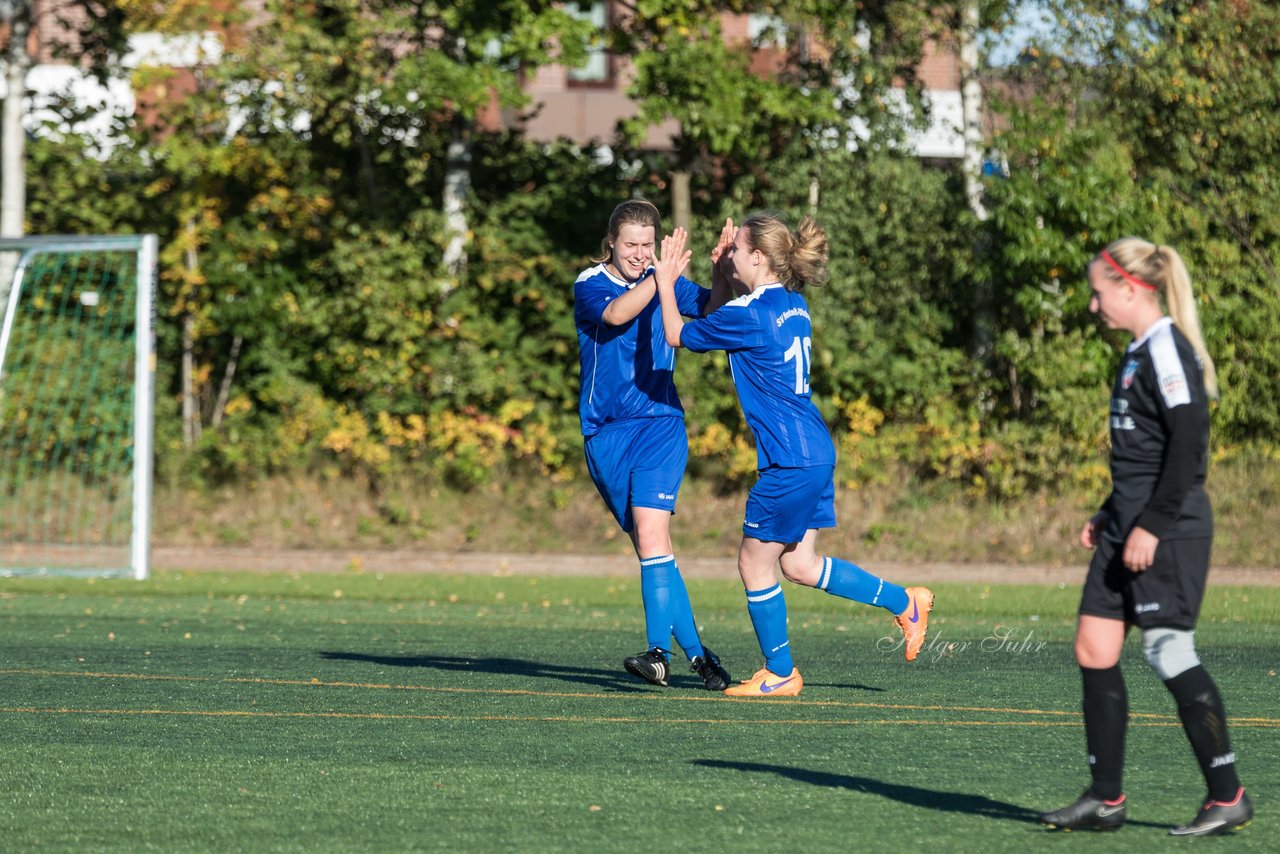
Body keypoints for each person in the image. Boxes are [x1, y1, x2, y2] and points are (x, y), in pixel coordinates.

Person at [651, 212, 933, 698]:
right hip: (816, 451)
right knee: (800, 565)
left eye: (736, 248)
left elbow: (678, 333)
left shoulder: (751, 314)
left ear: (758, 257)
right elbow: (726, 315)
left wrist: (664, 282)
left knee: (753, 564)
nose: (730, 253)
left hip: (789, 459)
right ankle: (904, 602)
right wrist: (722, 272)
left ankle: (780, 672)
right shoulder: (791, 304)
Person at [1038, 238, 1252, 836]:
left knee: (1169, 652)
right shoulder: (1136, 352)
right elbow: (1144, 455)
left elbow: (1188, 449)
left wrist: (1152, 525)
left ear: (1130, 289)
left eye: (1098, 293)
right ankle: (1105, 799)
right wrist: (1111, 512)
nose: (1092, 305)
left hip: (1169, 530)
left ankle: (1226, 793)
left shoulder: (1167, 351)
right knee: (1093, 647)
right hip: (1127, 526)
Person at [573, 199, 735, 691]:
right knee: (653, 548)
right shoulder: (591, 282)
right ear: (611, 244)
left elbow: (712, 311)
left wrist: (721, 271)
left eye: (648, 245)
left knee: (651, 538)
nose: (641, 254)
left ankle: (658, 654)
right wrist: (659, 279)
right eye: (631, 245)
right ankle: (701, 657)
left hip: (660, 425)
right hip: (606, 434)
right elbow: (618, 314)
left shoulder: (660, 278)